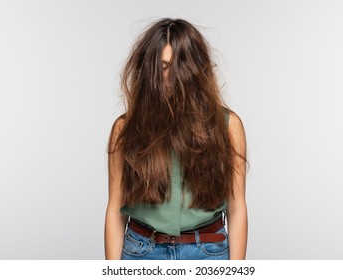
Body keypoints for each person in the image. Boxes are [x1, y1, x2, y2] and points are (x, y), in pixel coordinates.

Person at [104, 18, 248, 260]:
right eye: (162, 67)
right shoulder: (125, 128)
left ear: (196, 70)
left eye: (180, 67)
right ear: (148, 71)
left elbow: (237, 209)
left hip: (207, 252)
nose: (171, 78)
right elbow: (115, 211)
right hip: (142, 252)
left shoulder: (228, 126)